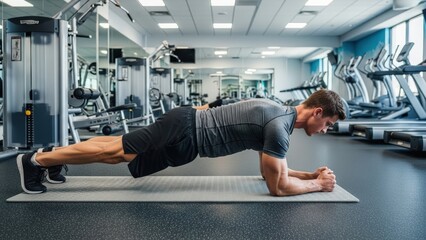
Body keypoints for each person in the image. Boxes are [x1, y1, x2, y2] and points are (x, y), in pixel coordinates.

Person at [17, 89, 346, 196]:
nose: (326, 130)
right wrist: (318, 185)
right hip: (185, 128)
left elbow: (271, 174)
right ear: (317, 112)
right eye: (328, 124)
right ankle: (36, 161)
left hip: (187, 140)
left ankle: (54, 157)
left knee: (119, 157)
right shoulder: (279, 124)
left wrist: (308, 176)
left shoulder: (279, 117)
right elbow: (276, 187)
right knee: (115, 149)